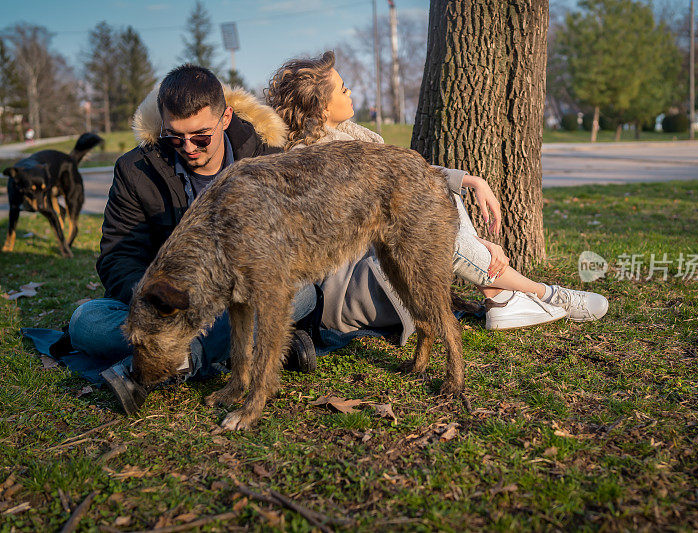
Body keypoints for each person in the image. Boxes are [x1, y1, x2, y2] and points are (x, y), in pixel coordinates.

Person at [265, 51, 609, 335]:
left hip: (382, 262)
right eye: (343, 89)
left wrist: (468, 180)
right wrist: (478, 242)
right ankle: (542, 294)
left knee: (440, 196)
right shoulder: (319, 160)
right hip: (354, 289)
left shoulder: (347, 139)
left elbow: (409, 181)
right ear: (324, 108)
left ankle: (499, 299)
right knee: (425, 218)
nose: (350, 92)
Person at [67, 65, 319, 414]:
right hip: (168, 307)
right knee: (86, 322)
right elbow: (117, 254)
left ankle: (170, 365)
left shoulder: (266, 158)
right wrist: (157, 299)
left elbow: (294, 245)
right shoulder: (135, 169)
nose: (187, 148)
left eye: (200, 137)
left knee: (301, 292)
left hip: (250, 292)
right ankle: (250, 351)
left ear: (226, 117)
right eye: (174, 137)